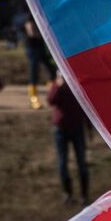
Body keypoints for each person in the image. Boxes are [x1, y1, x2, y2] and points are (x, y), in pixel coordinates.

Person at [48, 73, 90, 206]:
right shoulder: (57, 86)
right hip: (61, 129)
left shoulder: (77, 85)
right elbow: (51, 100)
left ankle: (84, 195)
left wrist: (88, 128)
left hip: (77, 128)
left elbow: (85, 106)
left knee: (81, 163)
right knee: (62, 163)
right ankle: (68, 194)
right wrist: (58, 86)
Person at [23, 15, 57, 109]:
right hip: (32, 48)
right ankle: (33, 99)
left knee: (52, 69)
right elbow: (31, 32)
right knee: (34, 73)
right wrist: (44, 33)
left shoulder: (42, 14)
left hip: (40, 47)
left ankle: (53, 94)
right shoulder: (30, 16)